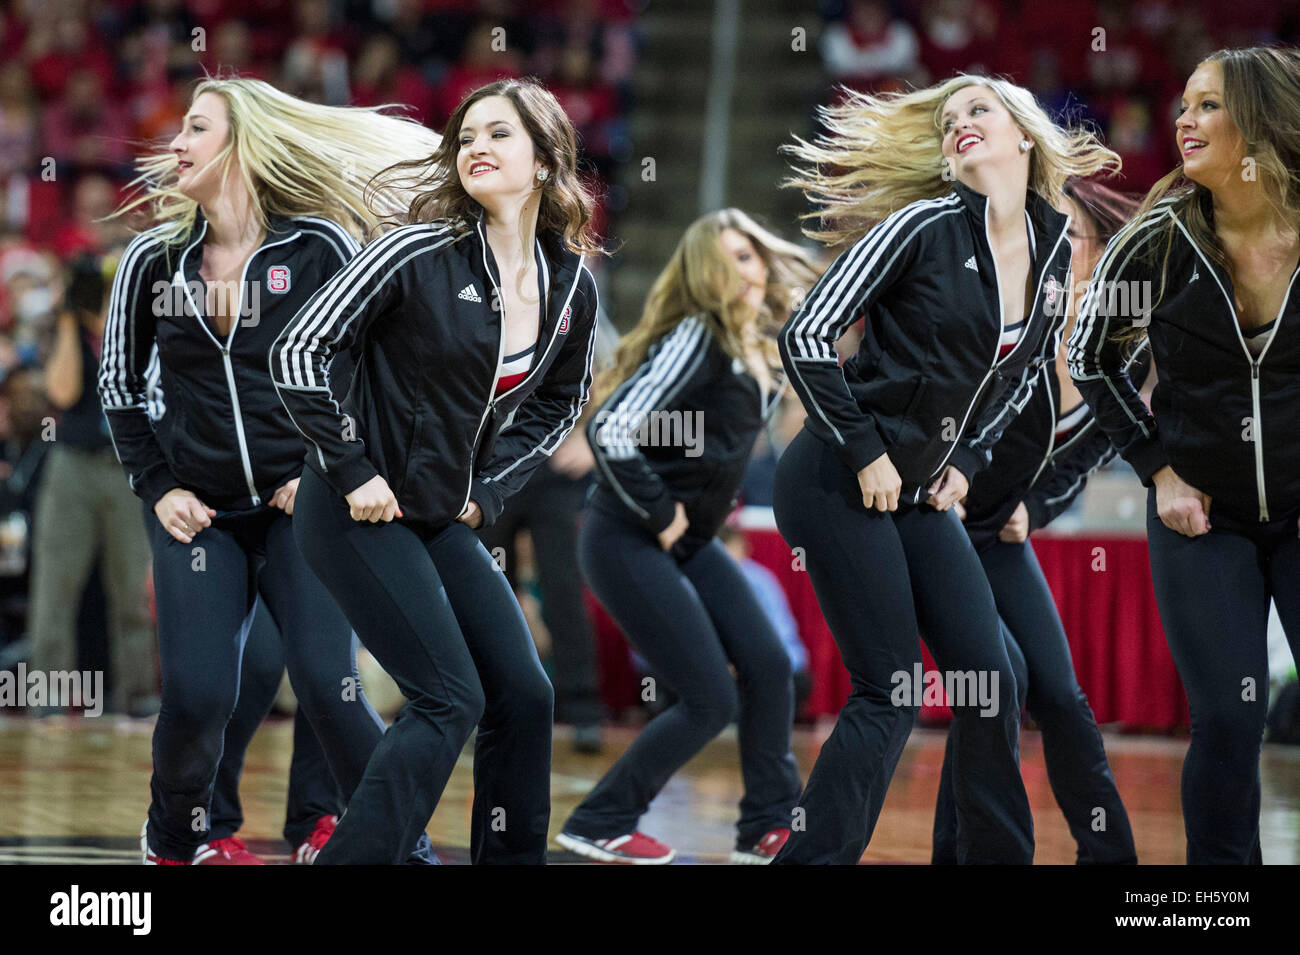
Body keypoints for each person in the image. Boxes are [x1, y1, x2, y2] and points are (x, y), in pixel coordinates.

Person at [771, 76, 1118, 864]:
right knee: (888, 692)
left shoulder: (1055, 250)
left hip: (921, 493)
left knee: (993, 679)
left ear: (1023, 134)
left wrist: (965, 459)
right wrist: (866, 451)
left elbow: (1021, 375)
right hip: (834, 475)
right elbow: (806, 334)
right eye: (950, 119)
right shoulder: (919, 226)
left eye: (979, 111)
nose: (961, 123)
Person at [99, 75, 442, 865]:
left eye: (195, 128)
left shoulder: (318, 245)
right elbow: (119, 386)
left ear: (243, 144)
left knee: (332, 685)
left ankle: (401, 845)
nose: (174, 144)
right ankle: (177, 836)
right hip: (202, 514)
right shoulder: (153, 261)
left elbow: (368, 371)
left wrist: (327, 466)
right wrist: (159, 486)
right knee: (199, 694)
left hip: (304, 509)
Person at [272, 78, 603, 865]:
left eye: (499, 134)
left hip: (440, 514)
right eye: (466, 137)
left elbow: (563, 403)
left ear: (548, 158)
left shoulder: (570, 287)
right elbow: (296, 351)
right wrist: (351, 468)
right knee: (449, 695)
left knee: (525, 694)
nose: (476, 148)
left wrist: (488, 489)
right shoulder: (413, 252)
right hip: (354, 509)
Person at [1069, 46, 1300, 865]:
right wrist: (1158, 467)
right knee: (1232, 718)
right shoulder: (1159, 238)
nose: (1185, 122)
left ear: (1264, 118)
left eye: (1209, 106)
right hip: (1205, 518)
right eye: (1184, 106)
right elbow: (1090, 356)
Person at [555, 209, 819, 864]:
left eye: (750, 255)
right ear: (704, 275)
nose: (742, 270)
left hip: (689, 541)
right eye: (724, 259)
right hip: (626, 534)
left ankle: (765, 824)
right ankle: (600, 820)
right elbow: (612, 427)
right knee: (708, 696)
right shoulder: (697, 334)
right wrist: (662, 510)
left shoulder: (756, 347)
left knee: (767, 664)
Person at [933, 179, 1143, 865]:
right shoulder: (1010, 317)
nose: (1059, 246)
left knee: (1059, 691)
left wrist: (1037, 507)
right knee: (994, 681)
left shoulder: (1123, 350)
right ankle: (967, 851)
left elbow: (1090, 452)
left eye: (1076, 236)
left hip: (997, 531)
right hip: (939, 527)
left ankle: (1109, 856)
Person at [29, 255, 155, 718]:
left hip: (130, 466)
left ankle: (139, 696)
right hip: (73, 465)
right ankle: (45, 698)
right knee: (56, 585)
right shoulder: (63, 327)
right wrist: (68, 317)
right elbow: (62, 393)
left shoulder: (141, 322)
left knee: (133, 588)